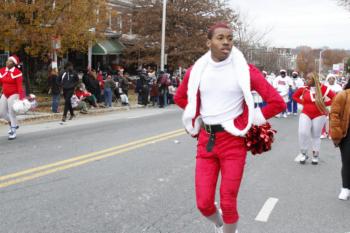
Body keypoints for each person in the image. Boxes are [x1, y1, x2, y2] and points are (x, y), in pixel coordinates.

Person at [174, 22, 286, 233]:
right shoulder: (196, 71)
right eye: (220, 38)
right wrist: (198, 116)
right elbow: (180, 97)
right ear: (209, 42)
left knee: (228, 202)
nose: (226, 42)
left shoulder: (245, 71)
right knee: (204, 204)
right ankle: (219, 224)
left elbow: (277, 102)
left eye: (230, 38)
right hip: (206, 142)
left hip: (234, 142)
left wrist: (248, 120)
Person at [292, 72, 335, 165]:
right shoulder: (303, 89)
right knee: (302, 132)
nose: (306, 80)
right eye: (306, 78)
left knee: (316, 135)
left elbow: (334, 98)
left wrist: (324, 104)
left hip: (319, 114)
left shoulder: (323, 88)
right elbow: (294, 96)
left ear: (314, 80)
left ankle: (315, 156)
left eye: (309, 79)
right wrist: (302, 102)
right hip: (306, 113)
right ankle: (303, 153)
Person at [330, 81, 350, 200]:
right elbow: (334, 114)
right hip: (347, 134)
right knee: (347, 161)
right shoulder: (343, 95)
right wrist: (337, 133)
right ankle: (345, 188)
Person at [0, 55, 25, 140]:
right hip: (5, 93)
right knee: (2, 112)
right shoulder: (2, 71)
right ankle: (13, 123)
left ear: (14, 64)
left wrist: (21, 98)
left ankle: (13, 130)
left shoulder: (17, 72)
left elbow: (20, 86)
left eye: (10, 61)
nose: (7, 62)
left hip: (14, 94)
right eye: (7, 60)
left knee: (11, 112)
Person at [321, 73, 343, 139]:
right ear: (327, 79)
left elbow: (341, 96)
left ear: (334, 79)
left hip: (334, 106)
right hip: (325, 105)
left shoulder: (338, 87)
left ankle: (331, 133)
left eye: (333, 79)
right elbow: (321, 96)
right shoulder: (324, 86)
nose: (331, 80)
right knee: (323, 119)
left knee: (332, 120)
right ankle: (323, 133)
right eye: (330, 79)